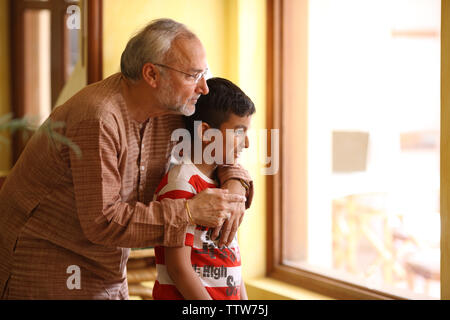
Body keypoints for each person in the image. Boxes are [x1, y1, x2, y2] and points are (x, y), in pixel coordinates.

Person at [0, 19, 253, 299]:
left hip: (109, 268)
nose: (203, 88)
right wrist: (190, 212)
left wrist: (234, 185)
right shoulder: (98, 118)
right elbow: (103, 221)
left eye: (203, 74)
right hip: (45, 265)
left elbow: (219, 136)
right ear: (152, 75)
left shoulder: (178, 105)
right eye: (193, 76)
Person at [152, 77, 255, 300]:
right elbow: (178, 268)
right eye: (238, 132)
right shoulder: (181, 183)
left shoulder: (222, 182)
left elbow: (230, 257)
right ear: (206, 133)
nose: (246, 143)